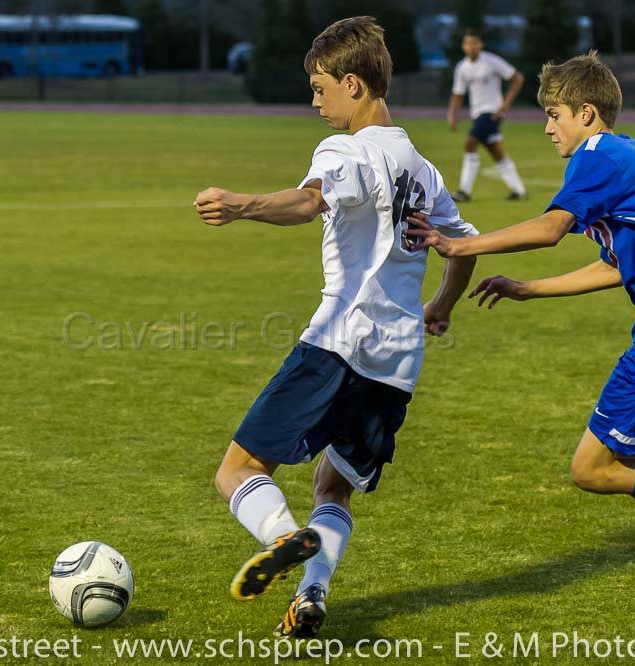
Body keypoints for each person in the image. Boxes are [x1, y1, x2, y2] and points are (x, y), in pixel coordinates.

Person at [408, 52, 635, 608]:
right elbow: (615, 264)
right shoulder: (627, 157)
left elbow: (550, 228)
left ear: (587, 113)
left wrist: (459, 244)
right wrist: (529, 288)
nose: (547, 127)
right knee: (629, 463)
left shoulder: (598, 154)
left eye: (554, 114)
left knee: (593, 469)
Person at [193, 16, 478, 637]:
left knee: (238, 471)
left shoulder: (346, 149)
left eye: (320, 87)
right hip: (399, 361)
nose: (315, 101)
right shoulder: (422, 167)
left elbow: (309, 202)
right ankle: (312, 594)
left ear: (354, 83)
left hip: (339, 342)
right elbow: (463, 249)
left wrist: (242, 205)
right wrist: (441, 307)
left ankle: (285, 537)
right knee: (334, 487)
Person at [446, 28, 526, 203]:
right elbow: (458, 93)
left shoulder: (491, 61)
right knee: (495, 151)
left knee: (470, 143)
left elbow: (517, 78)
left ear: (480, 45)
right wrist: (452, 114)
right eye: (467, 43)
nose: (470, 46)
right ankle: (519, 191)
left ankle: (464, 191)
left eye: (474, 43)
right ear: (463, 45)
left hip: (493, 112)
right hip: (477, 114)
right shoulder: (462, 67)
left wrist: (505, 104)